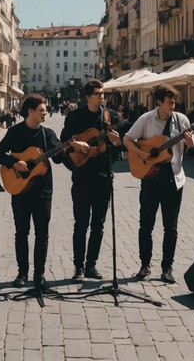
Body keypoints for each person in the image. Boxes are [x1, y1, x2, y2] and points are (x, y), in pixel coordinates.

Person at [123, 84, 194, 284]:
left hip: (173, 179)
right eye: (170, 102)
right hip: (150, 177)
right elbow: (127, 139)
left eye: (174, 102)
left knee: (170, 227)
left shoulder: (181, 120)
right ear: (159, 102)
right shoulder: (145, 119)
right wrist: (142, 153)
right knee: (145, 224)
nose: (173, 105)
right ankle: (145, 265)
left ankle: (167, 268)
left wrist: (189, 140)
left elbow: (192, 144)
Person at [0, 93, 63, 289]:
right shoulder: (15, 132)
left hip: (43, 192)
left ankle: (38, 274)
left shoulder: (48, 134)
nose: (45, 113)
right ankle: (22, 272)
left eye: (46, 110)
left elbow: (58, 159)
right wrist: (15, 163)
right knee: (21, 233)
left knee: (42, 234)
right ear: (30, 111)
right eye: (42, 110)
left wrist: (69, 148)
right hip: (20, 190)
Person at [60, 78, 122, 282]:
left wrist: (116, 141)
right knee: (81, 224)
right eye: (97, 93)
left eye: (103, 93)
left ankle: (91, 265)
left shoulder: (111, 117)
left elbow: (120, 148)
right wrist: (77, 145)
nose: (101, 96)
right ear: (87, 96)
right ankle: (78, 266)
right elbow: (64, 143)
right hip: (81, 178)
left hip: (103, 178)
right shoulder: (75, 116)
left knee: (99, 225)